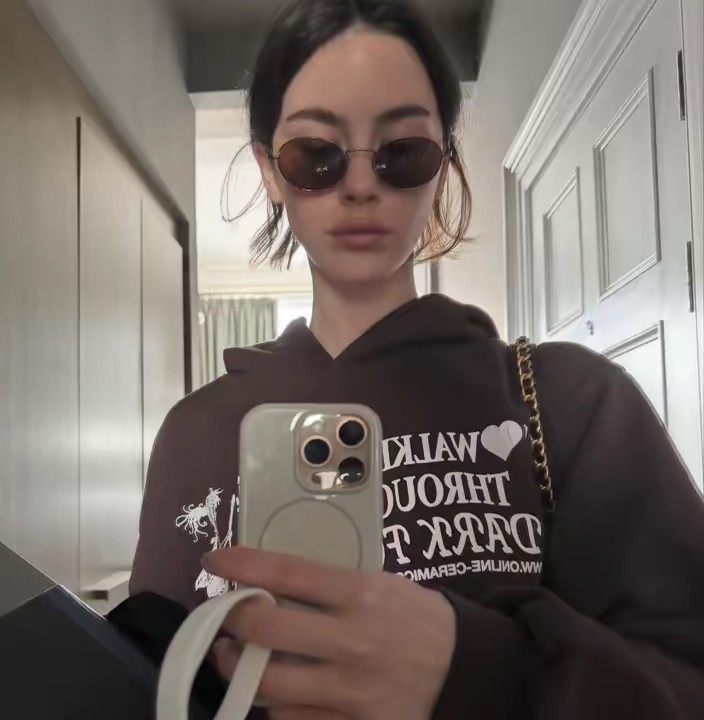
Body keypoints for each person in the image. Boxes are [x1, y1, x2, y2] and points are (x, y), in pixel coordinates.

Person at [128, 0, 704, 718]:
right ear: (270, 171)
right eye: (315, 154)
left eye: (402, 151)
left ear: (444, 164)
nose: (359, 185)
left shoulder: (572, 402)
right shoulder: (194, 434)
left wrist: (479, 667)